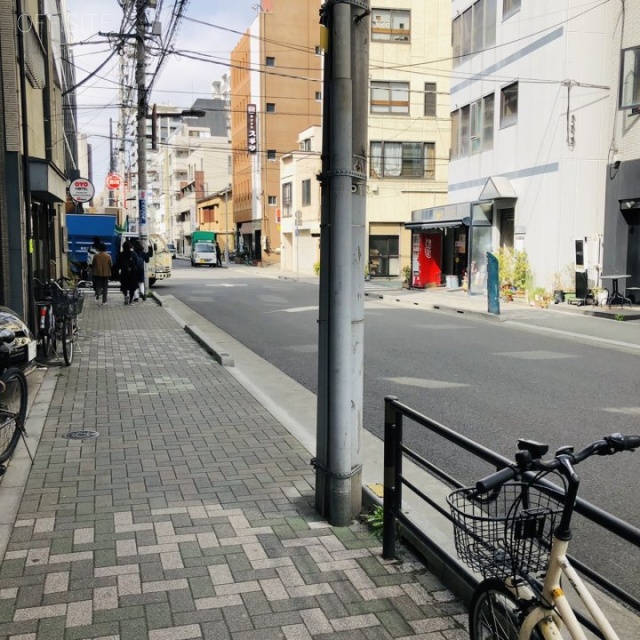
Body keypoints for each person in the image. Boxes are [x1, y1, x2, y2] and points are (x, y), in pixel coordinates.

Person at [117, 241, 138, 305]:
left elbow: (119, 263)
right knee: (132, 286)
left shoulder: (121, 254)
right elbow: (136, 262)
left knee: (124, 285)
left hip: (124, 271)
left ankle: (126, 295)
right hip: (133, 272)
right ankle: (131, 300)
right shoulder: (134, 253)